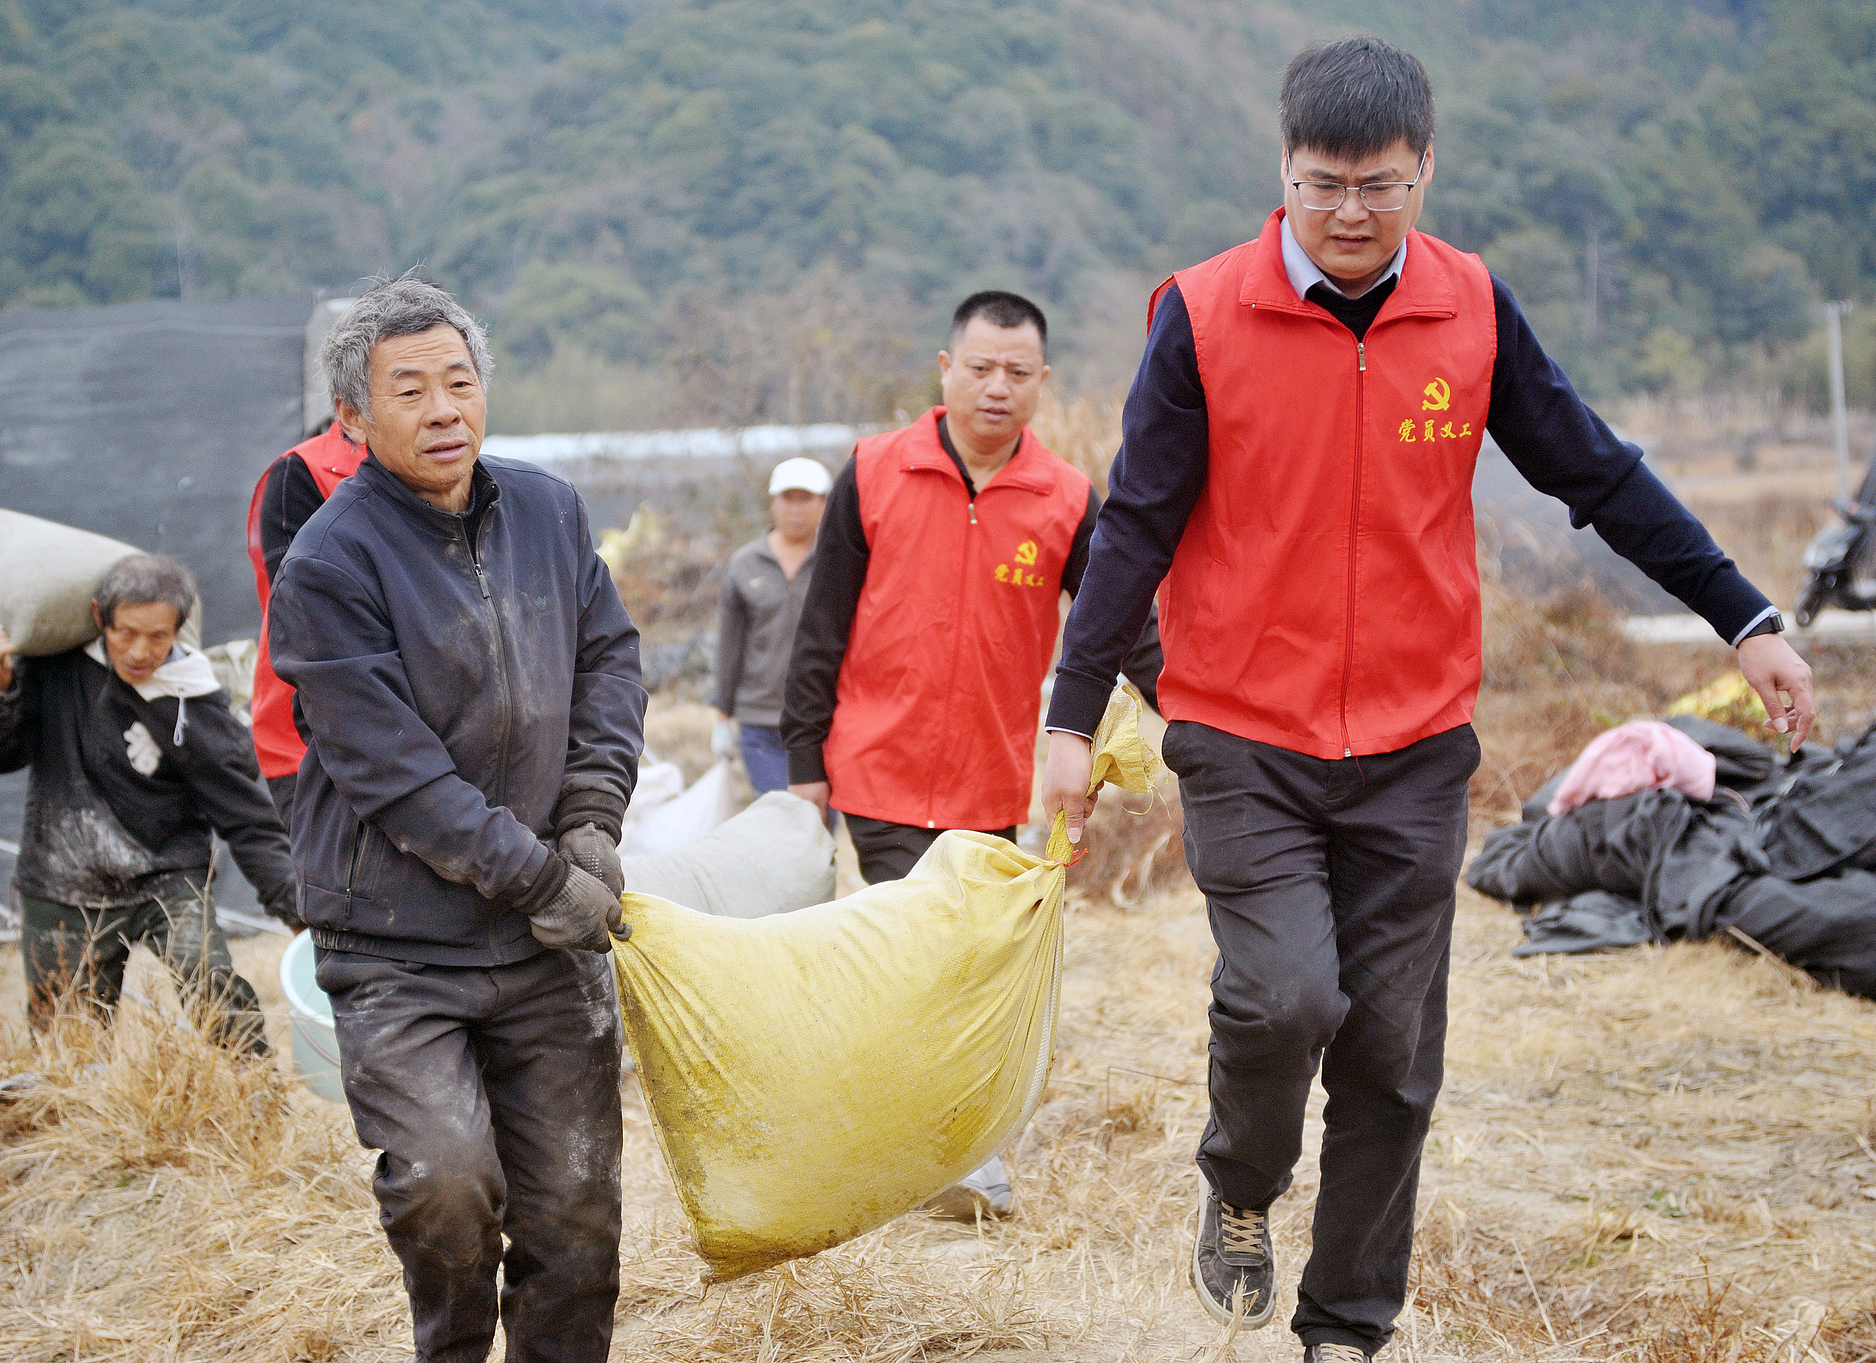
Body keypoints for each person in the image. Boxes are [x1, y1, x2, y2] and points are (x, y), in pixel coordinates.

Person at [1040, 37, 1817, 1363]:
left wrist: (1743, 611)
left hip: (1412, 743)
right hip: (1243, 731)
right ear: (1281, 169)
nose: (1350, 211)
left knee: (1395, 1052)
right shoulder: (1206, 314)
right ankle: (1239, 1179)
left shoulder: (1471, 308)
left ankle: (1346, 1326)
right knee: (1284, 998)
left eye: (1381, 184)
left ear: (1426, 173)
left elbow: (1600, 473)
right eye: (1323, 181)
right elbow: (1135, 527)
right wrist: (1069, 719)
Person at [266, 276, 644, 1363]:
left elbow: (609, 661)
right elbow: (392, 772)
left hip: (543, 944)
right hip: (395, 947)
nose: (443, 410)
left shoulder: (548, 509)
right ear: (352, 418)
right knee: (445, 1181)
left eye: (459, 383)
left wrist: (589, 821)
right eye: (410, 390)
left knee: (576, 1210)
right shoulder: (330, 563)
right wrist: (539, 877)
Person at [781, 289, 1100, 1220]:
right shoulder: (876, 471)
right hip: (876, 769)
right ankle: (922, 1159)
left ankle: (953, 1150)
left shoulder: (1066, 498)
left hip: (986, 783)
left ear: (1042, 383)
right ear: (947, 369)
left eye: (1018, 373)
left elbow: (1116, 622)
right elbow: (822, 625)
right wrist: (807, 760)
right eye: (981, 367)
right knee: (905, 966)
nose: (997, 388)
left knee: (964, 970)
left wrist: (1181, 711)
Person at [0, 554, 297, 1050]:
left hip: (168, 876)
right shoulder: (58, 671)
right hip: (63, 878)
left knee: (216, 997)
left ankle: (257, 1108)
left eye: (158, 637)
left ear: (179, 631)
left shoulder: (193, 700)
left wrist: (298, 913)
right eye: (126, 633)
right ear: (101, 618)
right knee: (67, 1042)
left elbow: (247, 818)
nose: (141, 651)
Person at [246, 418, 365, 824]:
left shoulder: (461, 473)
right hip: (309, 740)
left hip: (423, 738)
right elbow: (306, 616)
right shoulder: (300, 473)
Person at [712, 456, 831, 796]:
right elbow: (729, 645)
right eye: (787, 498)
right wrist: (722, 715)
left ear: (824, 504)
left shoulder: (836, 560)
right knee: (780, 820)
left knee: (820, 825)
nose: (796, 509)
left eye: (806, 499)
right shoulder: (745, 564)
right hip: (760, 720)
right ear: (773, 504)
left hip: (824, 717)